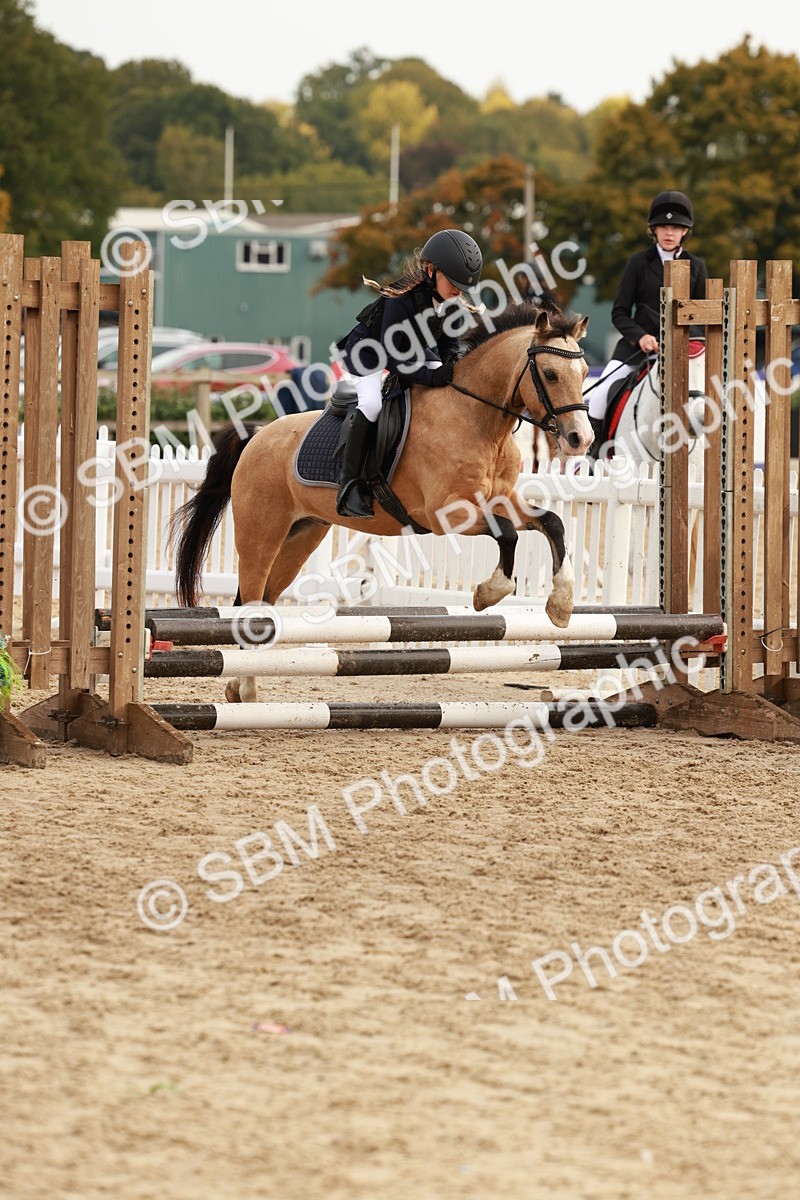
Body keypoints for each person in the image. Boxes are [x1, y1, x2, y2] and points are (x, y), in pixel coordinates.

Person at [334, 228, 483, 519]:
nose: (457, 291)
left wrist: (451, 369)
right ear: (431, 270)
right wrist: (429, 378)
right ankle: (349, 485)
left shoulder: (450, 303)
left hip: (410, 351)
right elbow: (391, 356)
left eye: (462, 287)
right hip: (370, 354)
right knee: (372, 405)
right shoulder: (399, 300)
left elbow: (447, 344)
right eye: (452, 283)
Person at [587, 190, 708, 442]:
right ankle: (594, 457)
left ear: (685, 231)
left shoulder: (696, 267)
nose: (669, 233)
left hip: (684, 353)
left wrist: (683, 343)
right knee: (600, 395)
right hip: (637, 350)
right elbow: (619, 312)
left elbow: (702, 316)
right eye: (663, 226)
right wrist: (640, 337)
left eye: (675, 227)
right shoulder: (638, 263)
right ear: (653, 229)